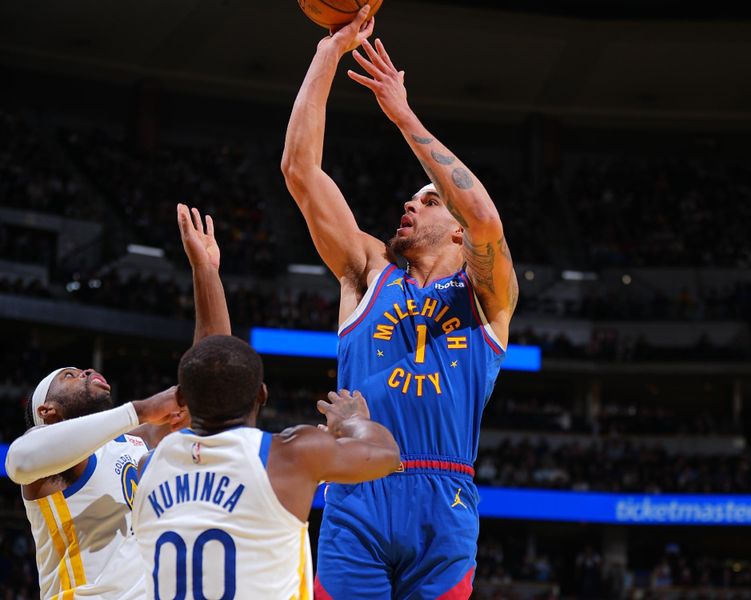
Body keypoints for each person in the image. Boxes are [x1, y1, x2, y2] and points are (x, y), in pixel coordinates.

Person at [281, 6, 518, 598]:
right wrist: (327, 52)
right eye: (410, 202)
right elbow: (299, 171)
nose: (408, 207)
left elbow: (485, 215)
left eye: (429, 202)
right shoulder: (368, 271)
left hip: (446, 495)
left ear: (458, 231)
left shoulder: (488, 296)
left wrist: (404, 115)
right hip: (357, 488)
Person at [4, 204, 230, 599]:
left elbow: (208, 376)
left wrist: (205, 272)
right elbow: (19, 461)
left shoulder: (134, 440)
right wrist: (140, 409)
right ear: (48, 412)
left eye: (83, 369)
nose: (86, 373)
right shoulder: (52, 465)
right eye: (70, 376)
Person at [131, 335, 401, 599]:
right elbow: (387, 455)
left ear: (179, 397)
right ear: (262, 393)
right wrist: (350, 421)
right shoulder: (289, 455)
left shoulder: (148, 464)